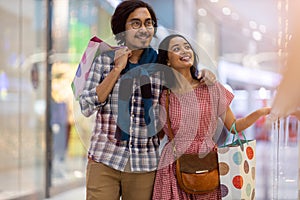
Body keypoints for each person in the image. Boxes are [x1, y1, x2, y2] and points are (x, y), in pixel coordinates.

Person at [79, 1, 216, 200]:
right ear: (121, 29)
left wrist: (204, 76)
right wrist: (117, 70)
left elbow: (187, 88)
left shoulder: (162, 65)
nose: (144, 29)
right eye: (136, 23)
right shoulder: (104, 58)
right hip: (104, 159)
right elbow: (86, 106)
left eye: (148, 23)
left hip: (144, 164)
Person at [152, 34, 271, 200]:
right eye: (176, 48)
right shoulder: (163, 95)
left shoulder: (210, 87)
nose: (184, 51)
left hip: (208, 162)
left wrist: (261, 112)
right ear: (167, 61)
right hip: (173, 166)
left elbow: (234, 126)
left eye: (187, 47)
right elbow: (157, 132)